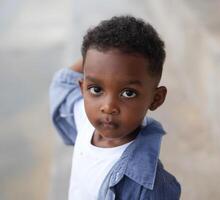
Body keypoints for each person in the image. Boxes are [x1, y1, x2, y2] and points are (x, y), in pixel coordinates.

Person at [49, 15, 181, 200]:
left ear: (156, 99)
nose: (108, 107)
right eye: (96, 89)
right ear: (83, 90)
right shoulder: (85, 122)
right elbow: (63, 83)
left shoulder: (148, 187)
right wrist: (95, 53)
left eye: (128, 93)